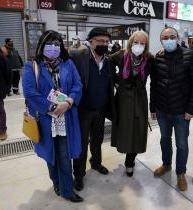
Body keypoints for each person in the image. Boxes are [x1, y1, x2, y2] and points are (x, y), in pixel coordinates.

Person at [22, 30, 83, 202]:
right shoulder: (32, 66)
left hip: (66, 117)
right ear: (42, 45)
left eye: (57, 44)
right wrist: (51, 106)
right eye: (50, 43)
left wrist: (68, 102)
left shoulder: (68, 64)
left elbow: (77, 85)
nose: (54, 47)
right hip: (46, 118)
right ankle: (56, 182)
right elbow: (30, 93)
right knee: (50, 155)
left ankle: (67, 190)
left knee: (64, 154)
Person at [150, 27, 193, 191]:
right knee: (165, 139)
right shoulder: (157, 58)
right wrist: (153, 107)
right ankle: (166, 164)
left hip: (181, 111)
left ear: (177, 38)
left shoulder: (190, 55)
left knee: (182, 144)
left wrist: (191, 109)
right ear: (161, 40)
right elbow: (154, 84)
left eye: (172, 36)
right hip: (163, 109)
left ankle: (180, 173)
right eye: (166, 37)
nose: (169, 39)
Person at [70, 27, 113, 191]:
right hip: (83, 110)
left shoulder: (108, 61)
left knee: (98, 139)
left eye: (107, 42)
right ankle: (79, 174)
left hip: (100, 109)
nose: (104, 44)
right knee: (80, 144)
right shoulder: (79, 57)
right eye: (100, 41)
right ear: (91, 42)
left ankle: (96, 163)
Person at [110, 30, 153, 177]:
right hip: (123, 99)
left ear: (146, 45)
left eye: (142, 43)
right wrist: (118, 80)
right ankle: (123, 149)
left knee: (138, 130)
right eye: (136, 42)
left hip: (140, 99)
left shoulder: (149, 58)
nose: (139, 45)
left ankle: (130, 161)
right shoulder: (121, 55)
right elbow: (108, 64)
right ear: (130, 42)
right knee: (124, 128)